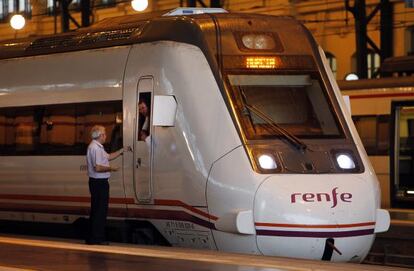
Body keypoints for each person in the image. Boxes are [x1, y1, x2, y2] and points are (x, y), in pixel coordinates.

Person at [85, 125, 124, 245]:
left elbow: (108, 156)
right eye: (104, 134)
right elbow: (98, 167)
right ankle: (97, 238)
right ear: (100, 136)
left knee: (96, 210)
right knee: (100, 211)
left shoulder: (97, 147)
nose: (106, 136)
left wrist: (122, 150)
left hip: (96, 183)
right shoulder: (95, 148)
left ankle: (92, 238)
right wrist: (111, 169)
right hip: (99, 183)